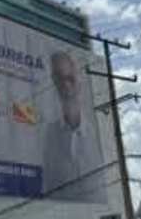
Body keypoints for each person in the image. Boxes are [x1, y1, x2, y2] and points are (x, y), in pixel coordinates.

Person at [41, 51, 107, 201]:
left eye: (70, 78)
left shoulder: (97, 133)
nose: (65, 85)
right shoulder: (48, 135)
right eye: (59, 78)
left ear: (79, 80)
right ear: (53, 81)